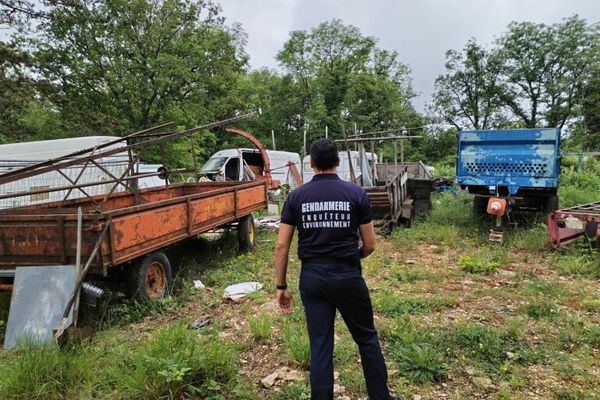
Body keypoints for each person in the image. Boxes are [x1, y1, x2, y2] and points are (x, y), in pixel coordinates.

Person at [274, 139, 403, 400]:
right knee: (366, 339)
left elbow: (281, 246)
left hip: (312, 279)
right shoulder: (355, 194)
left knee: (320, 346)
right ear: (337, 162)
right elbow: (370, 244)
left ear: (311, 164)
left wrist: (281, 286)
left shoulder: (296, 197)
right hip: (347, 275)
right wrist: (351, 258)